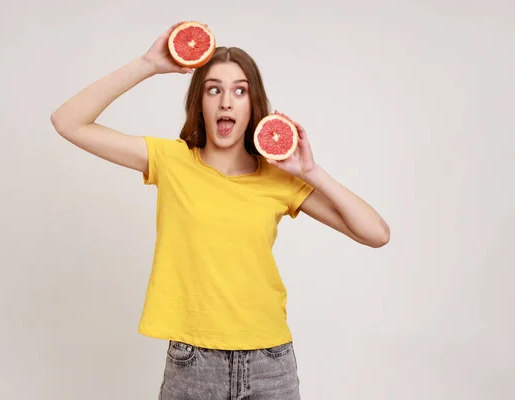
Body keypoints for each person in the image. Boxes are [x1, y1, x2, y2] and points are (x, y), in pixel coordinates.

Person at [50, 21, 390, 400]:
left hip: (270, 362)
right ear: (201, 101)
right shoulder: (171, 160)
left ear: (252, 104)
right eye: (214, 89)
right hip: (193, 364)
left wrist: (311, 171)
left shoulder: (279, 178)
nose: (226, 101)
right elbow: (67, 121)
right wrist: (148, 64)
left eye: (239, 91)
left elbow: (376, 233)